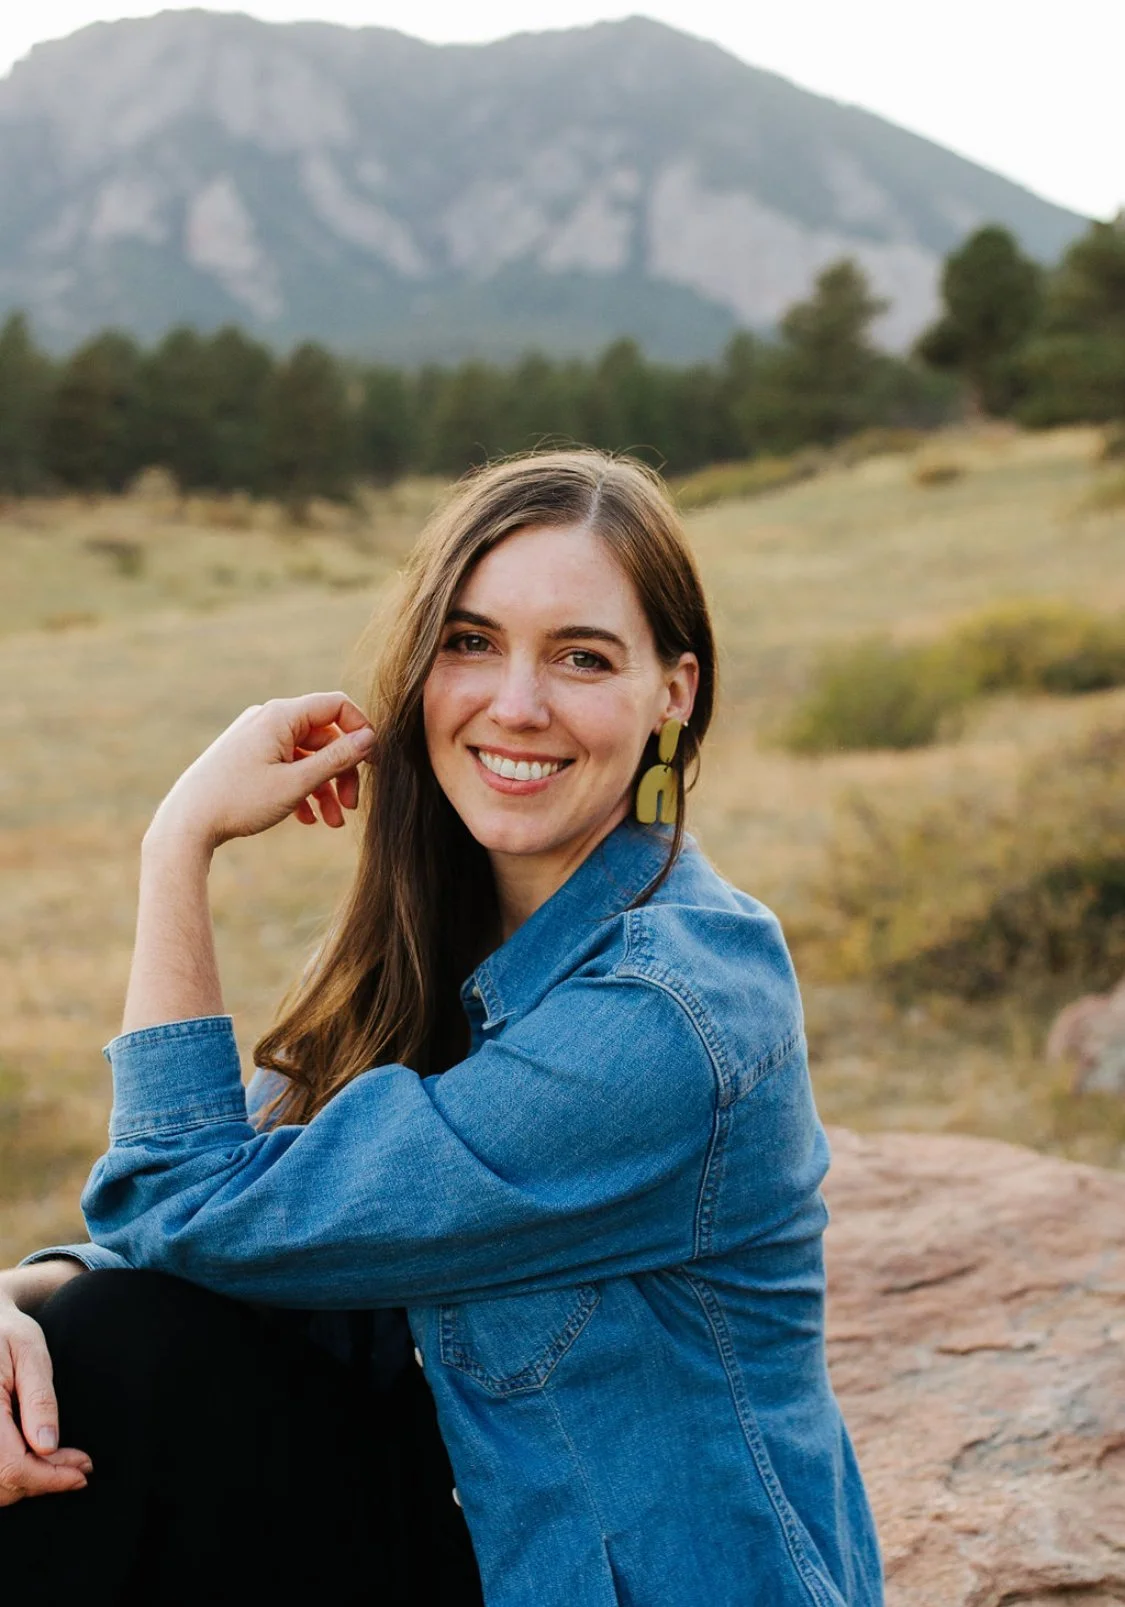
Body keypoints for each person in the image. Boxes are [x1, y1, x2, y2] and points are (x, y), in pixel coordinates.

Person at [0, 449, 884, 1605]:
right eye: (471, 642)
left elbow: (179, 1193)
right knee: (92, 1349)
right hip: (485, 1541)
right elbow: (225, 1234)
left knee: (115, 1347)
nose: (516, 703)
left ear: (675, 690)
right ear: (422, 670)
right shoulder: (433, 947)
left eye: (581, 656)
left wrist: (178, 843)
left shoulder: (675, 1007)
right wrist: (25, 1294)